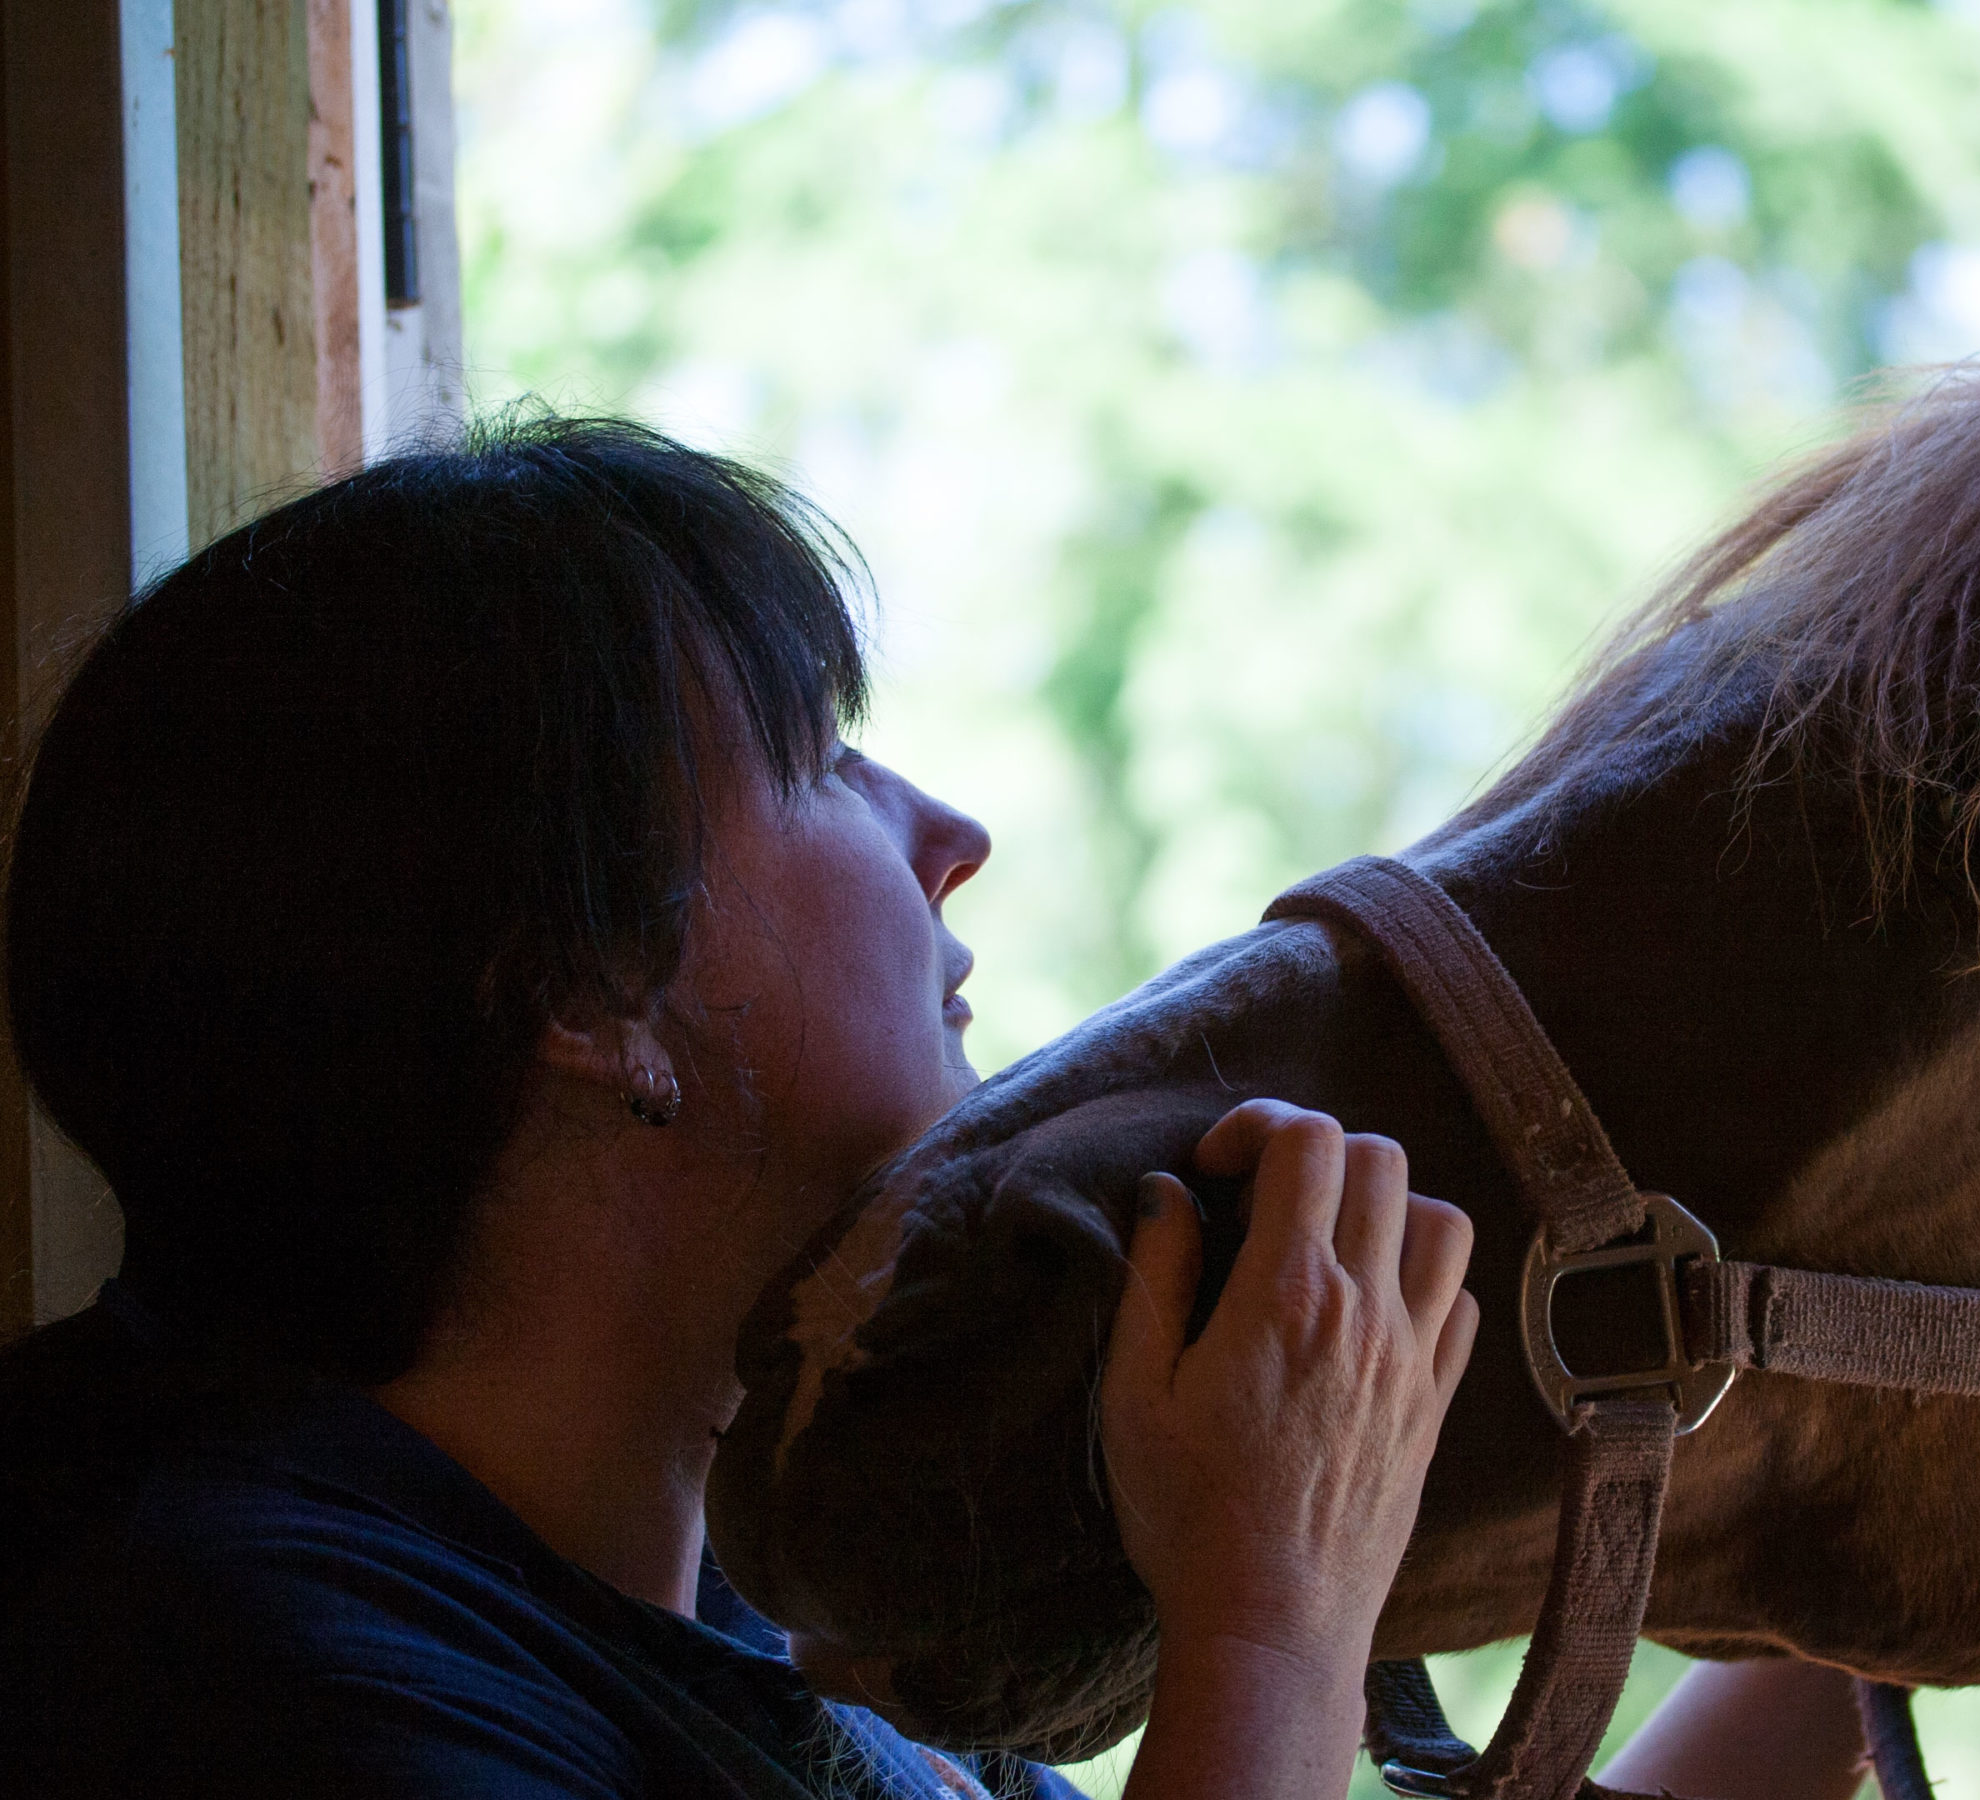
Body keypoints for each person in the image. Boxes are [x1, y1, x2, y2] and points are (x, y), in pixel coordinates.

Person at [0, 417, 1864, 1799]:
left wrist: (1841, 1545)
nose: (948, 840)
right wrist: (1272, 1614)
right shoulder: (237, 1679)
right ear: (580, 993)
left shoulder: (742, 1629)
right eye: (823, 761)